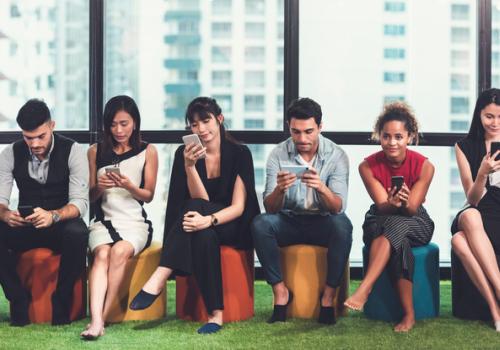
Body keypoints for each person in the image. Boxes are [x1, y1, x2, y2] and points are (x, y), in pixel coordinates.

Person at [129, 97, 260, 334]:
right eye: (194, 124)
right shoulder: (185, 154)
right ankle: (215, 315)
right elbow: (202, 202)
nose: (201, 129)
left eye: (206, 121)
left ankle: (160, 274)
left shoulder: (240, 153)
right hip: (204, 222)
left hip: (234, 224)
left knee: (196, 216)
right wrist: (189, 167)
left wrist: (208, 219)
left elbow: (239, 207)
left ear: (219, 119)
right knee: (202, 234)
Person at [251, 97, 353, 325]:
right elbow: (269, 207)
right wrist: (280, 189)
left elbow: (338, 206)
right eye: (295, 132)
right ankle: (280, 293)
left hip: (323, 220)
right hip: (289, 221)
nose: (302, 139)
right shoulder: (278, 154)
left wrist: (321, 187)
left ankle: (328, 297)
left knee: (343, 225)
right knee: (260, 223)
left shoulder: (337, 156)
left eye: (308, 131)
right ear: (289, 127)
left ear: (320, 127)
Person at [344, 102, 434, 332]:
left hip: (416, 221)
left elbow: (412, 210)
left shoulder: (425, 166)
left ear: (409, 137)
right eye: (386, 136)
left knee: (398, 224)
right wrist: (390, 203)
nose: (392, 143)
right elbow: (381, 206)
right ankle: (409, 315)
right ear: (379, 136)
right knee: (398, 241)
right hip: (380, 217)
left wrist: (403, 202)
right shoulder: (367, 166)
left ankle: (365, 287)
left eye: (398, 136)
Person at [0, 99, 89, 326]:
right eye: (28, 138)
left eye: (40, 136)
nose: (35, 143)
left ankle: (61, 301)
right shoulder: (10, 153)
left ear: (52, 126)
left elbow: (80, 204)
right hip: (27, 226)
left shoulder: (73, 151)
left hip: (59, 225)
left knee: (78, 232)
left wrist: (54, 216)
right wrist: (6, 214)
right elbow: (0, 200)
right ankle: (17, 298)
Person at [80, 96, 158, 340]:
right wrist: (101, 187)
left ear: (135, 122)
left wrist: (129, 185)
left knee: (120, 251)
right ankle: (97, 320)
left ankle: (101, 317)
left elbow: (148, 195)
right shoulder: (94, 151)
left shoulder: (148, 151)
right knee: (102, 254)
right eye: (113, 125)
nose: (119, 130)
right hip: (103, 222)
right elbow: (90, 197)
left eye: (124, 123)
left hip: (135, 222)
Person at [450, 88, 500, 332]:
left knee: (459, 241)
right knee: (469, 214)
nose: (495, 122)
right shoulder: (465, 146)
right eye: (489, 116)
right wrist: (482, 174)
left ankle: (495, 310)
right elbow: (473, 199)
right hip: (479, 211)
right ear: (479, 115)